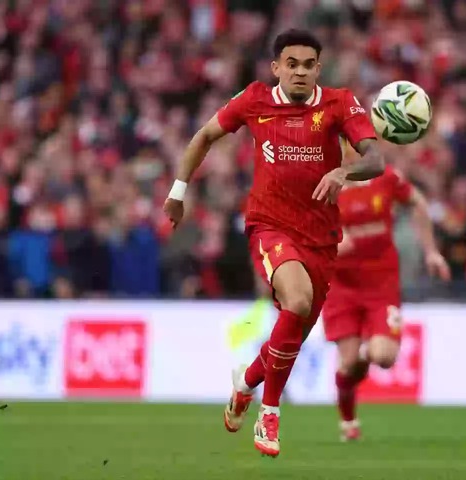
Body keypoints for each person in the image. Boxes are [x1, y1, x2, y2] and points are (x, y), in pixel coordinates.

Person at [163, 29, 385, 457]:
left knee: (291, 336)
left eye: (308, 65)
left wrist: (345, 172)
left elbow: (374, 159)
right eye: (292, 64)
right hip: (270, 227)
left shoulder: (340, 102)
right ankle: (270, 412)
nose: (300, 72)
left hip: (321, 239)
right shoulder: (254, 100)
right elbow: (204, 136)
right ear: (276, 68)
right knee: (297, 301)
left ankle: (245, 384)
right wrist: (177, 192)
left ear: (318, 68)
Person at [323, 139, 450, 441]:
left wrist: (431, 251)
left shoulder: (385, 178)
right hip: (341, 286)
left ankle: (366, 352)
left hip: (381, 284)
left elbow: (418, 203)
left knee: (383, 356)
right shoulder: (325, 186)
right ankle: (348, 421)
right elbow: (302, 232)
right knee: (349, 363)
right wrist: (330, 243)